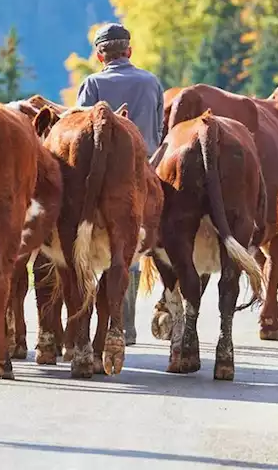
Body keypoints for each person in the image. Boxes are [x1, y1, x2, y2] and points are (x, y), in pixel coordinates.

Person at [75, 22, 164, 346]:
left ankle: (86, 324)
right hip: (143, 170)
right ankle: (125, 324)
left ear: (100, 55)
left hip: (97, 175)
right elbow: (159, 130)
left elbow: (81, 132)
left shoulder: (92, 84)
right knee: (133, 244)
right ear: (129, 50)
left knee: (88, 240)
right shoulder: (151, 82)